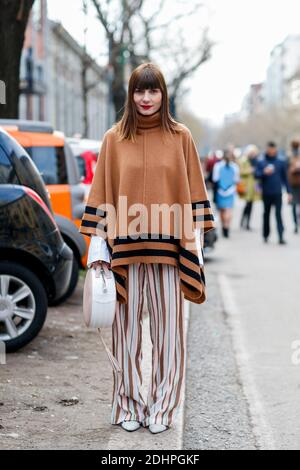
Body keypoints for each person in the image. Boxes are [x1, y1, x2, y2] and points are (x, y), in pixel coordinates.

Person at [79, 63, 215, 435]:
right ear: (131, 94)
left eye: (153, 91)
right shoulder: (113, 139)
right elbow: (102, 193)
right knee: (126, 336)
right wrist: (98, 252)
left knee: (169, 336)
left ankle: (163, 407)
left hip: (171, 256)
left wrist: (195, 250)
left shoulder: (181, 136)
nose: (146, 98)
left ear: (163, 94)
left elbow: (193, 192)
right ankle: (126, 403)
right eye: (139, 91)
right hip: (124, 256)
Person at [255, 141, 292, 245]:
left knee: (278, 214)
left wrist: (289, 192)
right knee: (266, 214)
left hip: (277, 193)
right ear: (267, 149)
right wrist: (264, 172)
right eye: (269, 149)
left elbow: (285, 178)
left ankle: (281, 236)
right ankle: (266, 235)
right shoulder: (261, 162)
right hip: (266, 193)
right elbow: (256, 175)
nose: (271, 151)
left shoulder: (280, 162)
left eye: (272, 149)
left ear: (275, 149)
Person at [212, 149, 240, 238]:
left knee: (222, 210)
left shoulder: (217, 166)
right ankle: (226, 226)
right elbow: (237, 180)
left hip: (220, 191)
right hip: (231, 191)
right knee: (229, 210)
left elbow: (215, 179)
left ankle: (224, 226)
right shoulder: (235, 167)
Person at [238, 145, 261, 231]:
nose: (253, 154)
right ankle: (243, 221)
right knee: (247, 205)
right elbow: (240, 172)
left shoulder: (256, 162)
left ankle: (247, 223)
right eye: (252, 152)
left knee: (251, 205)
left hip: (253, 187)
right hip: (246, 186)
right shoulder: (244, 161)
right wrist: (249, 171)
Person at [287, 140, 300, 233]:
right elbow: (287, 172)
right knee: (294, 205)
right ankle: (296, 224)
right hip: (294, 185)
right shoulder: (289, 158)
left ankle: (296, 224)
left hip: (295, 184)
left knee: (295, 206)